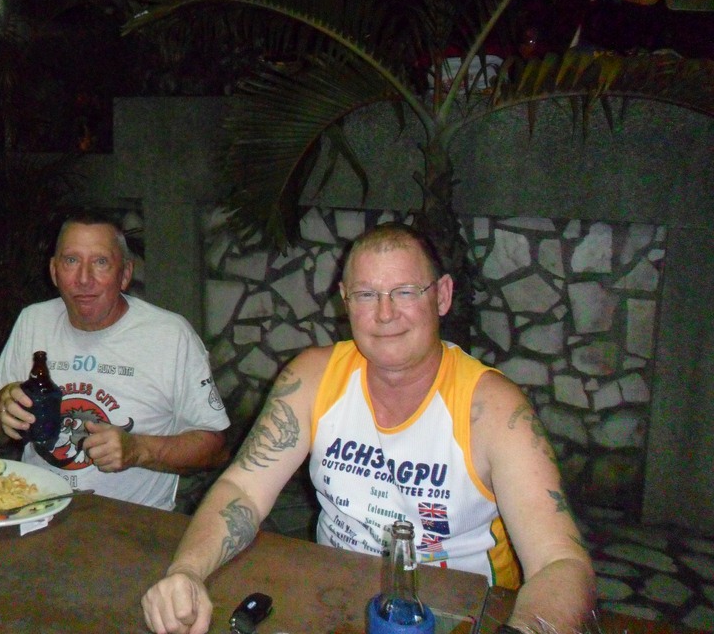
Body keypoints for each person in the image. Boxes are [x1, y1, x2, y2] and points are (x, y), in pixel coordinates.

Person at [141, 222, 596, 634]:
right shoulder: (313, 378)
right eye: (366, 295)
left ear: (442, 296)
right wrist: (186, 572)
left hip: (457, 611)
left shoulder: (493, 409)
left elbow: (560, 561)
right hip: (336, 599)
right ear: (345, 301)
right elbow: (243, 489)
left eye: (405, 292)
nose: (385, 314)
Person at [0, 213, 230, 510]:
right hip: (37, 509)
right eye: (71, 260)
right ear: (54, 271)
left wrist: (138, 449)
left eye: (100, 262)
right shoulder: (33, 320)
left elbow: (216, 449)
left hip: (131, 521)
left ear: (125, 274)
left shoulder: (170, 335)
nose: (84, 278)